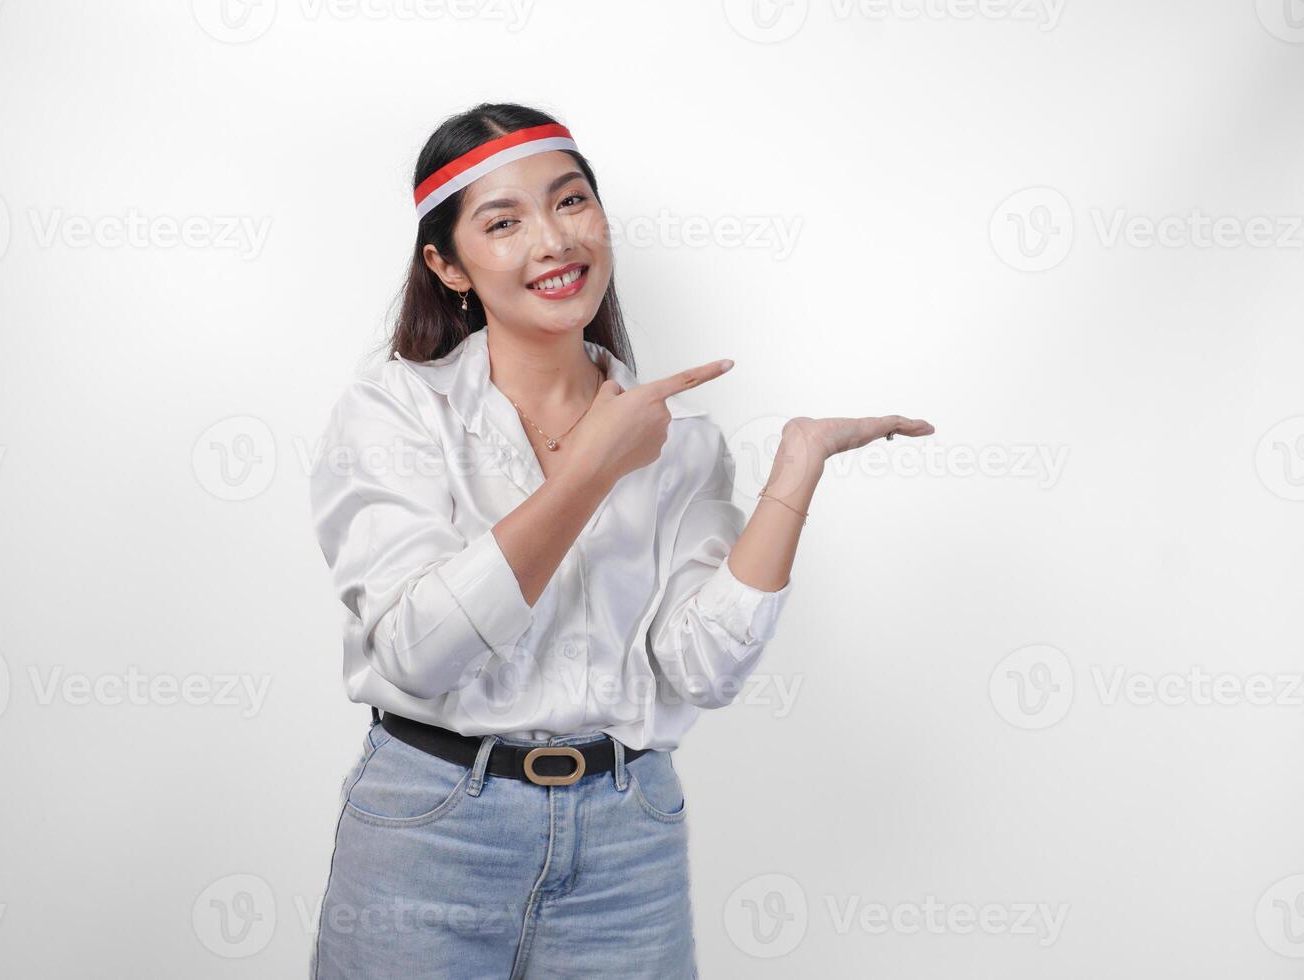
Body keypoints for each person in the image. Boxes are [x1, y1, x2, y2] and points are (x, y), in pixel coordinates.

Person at [307, 103, 934, 979]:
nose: (553, 240)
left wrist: (794, 472)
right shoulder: (395, 412)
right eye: (502, 222)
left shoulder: (680, 445)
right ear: (447, 264)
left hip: (627, 835)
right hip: (433, 826)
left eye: (571, 203)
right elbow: (417, 654)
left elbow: (701, 670)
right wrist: (591, 472)